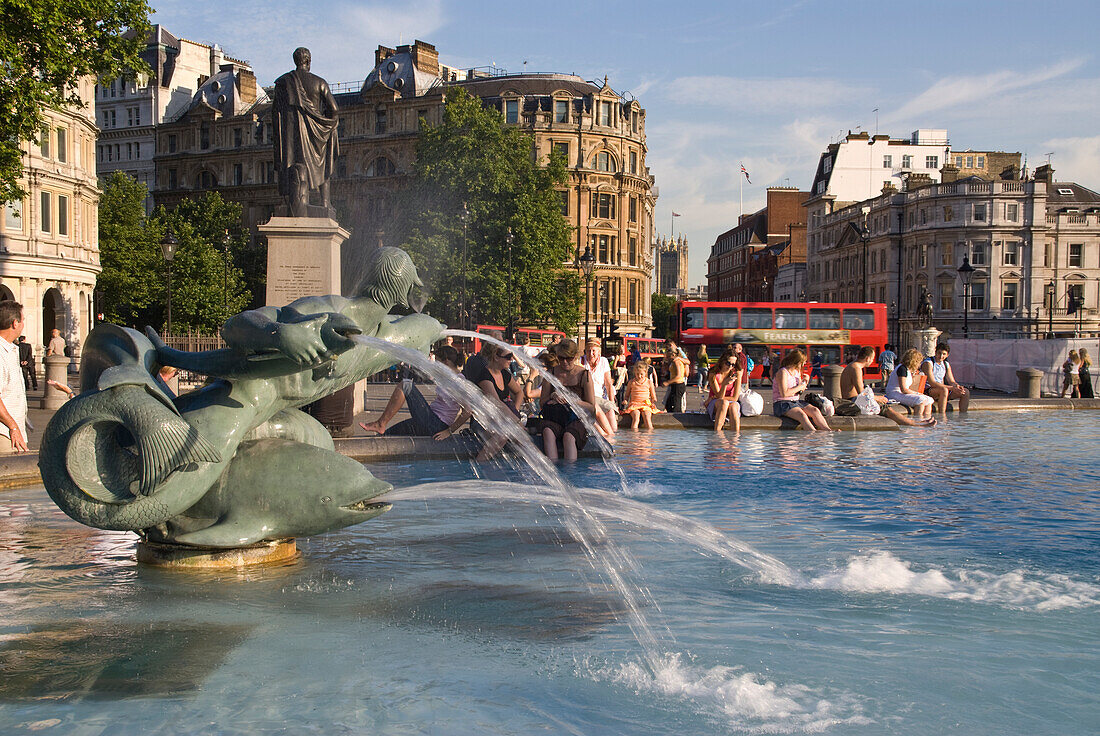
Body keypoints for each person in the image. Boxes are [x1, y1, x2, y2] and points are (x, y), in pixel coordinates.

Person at [273, 47, 339, 216]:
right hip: (317, 135)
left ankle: (288, 200)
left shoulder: (284, 82)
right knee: (324, 163)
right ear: (309, 61)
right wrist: (326, 124)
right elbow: (334, 109)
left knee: (292, 164)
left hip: (291, 138)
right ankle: (325, 203)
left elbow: (276, 114)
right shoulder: (319, 82)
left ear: (295, 61)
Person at [359, 344, 472, 438]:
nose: (435, 365)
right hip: (428, 419)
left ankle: (380, 423)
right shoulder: (448, 378)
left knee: (406, 385)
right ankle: (380, 430)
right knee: (386, 435)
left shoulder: (458, 381)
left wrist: (449, 431)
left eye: (437, 362)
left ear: (446, 362)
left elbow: (468, 411)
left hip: (436, 424)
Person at [836, 346, 935, 427]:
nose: (872, 361)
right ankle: (914, 424)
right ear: (868, 358)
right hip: (853, 401)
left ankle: (917, 422)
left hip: (853, 399)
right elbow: (862, 393)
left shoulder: (852, 366)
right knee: (887, 410)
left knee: (888, 408)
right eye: (873, 358)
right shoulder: (856, 368)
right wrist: (878, 398)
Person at [531, 339, 594, 461]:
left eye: (568, 358)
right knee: (548, 432)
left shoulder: (584, 375)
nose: (564, 362)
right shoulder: (551, 373)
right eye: (561, 358)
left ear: (575, 356)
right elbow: (542, 404)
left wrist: (571, 400)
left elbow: (592, 407)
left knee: (569, 437)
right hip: (556, 417)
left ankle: (570, 473)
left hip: (576, 418)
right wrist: (552, 396)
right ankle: (553, 471)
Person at [771, 348, 833, 431]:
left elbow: (799, 392)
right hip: (782, 403)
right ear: (797, 362)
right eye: (803, 362)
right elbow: (784, 394)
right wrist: (800, 386)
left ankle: (828, 430)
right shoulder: (783, 372)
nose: (804, 364)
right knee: (802, 415)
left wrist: (804, 382)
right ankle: (813, 433)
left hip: (795, 401)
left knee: (815, 410)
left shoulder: (797, 372)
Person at [0, 301, 29, 453]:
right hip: (5, 433)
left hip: (12, 431)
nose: (23, 324)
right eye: (23, 320)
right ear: (15, 323)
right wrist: (13, 426)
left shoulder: (10, 349)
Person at [885, 348, 935, 422]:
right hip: (894, 393)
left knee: (929, 400)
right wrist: (918, 394)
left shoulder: (907, 369)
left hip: (900, 393)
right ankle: (918, 420)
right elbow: (904, 389)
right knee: (920, 400)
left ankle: (927, 420)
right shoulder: (902, 369)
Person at [581, 339, 617, 436]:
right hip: (586, 398)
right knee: (600, 428)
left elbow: (608, 383)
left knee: (612, 421)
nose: (591, 353)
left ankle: (613, 440)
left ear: (599, 352)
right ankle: (605, 438)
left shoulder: (604, 361)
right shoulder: (581, 361)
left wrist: (612, 402)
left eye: (593, 351)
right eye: (588, 350)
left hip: (600, 397)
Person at [921, 343, 969, 412]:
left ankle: (963, 418)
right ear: (935, 352)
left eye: (944, 354)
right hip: (928, 390)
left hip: (943, 388)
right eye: (939, 353)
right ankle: (942, 417)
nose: (941, 356)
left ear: (947, 355)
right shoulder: (928, 363)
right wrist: (952, 388)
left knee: (965, 392)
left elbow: (951, 381)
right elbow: (932, 383)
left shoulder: (946, 364)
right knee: (944, 390)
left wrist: (957, 386)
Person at [706, 346, 742, 432]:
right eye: (728, 363)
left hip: (727, 401)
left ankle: (735, 438)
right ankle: (717, 434)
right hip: (716, 403)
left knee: (733, 406)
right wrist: (725, 384)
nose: (730, 367)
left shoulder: (736, 374)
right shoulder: (713, 374)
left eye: (733, 365)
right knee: (724, 403)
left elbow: (735, 398)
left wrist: (715, 397)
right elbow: (719, 397)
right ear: (722, 361)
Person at [622, 361, 658, 430]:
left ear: (645, 372)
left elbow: (653, 396)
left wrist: (653, 402)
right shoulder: (631, 382)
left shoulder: (649, 382)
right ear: (634, 372)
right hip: (634, 404)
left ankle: (649, 436)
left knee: (647, 416)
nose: (639, 376)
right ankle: (634, 435)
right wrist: (625, 400)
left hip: (646, 404)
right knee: (636, 416)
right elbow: (627, 395)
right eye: (637, 374)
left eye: (641, 374)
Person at [660, 345, 689, 413]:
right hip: (675, 385)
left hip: (678, 385)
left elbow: (679, 376)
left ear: (673, 354)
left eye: (668, 356)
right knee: (669, 404)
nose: (667, 358)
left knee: (676, 406)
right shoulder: (674, 361)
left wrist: (668, 382)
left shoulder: (677, 361)